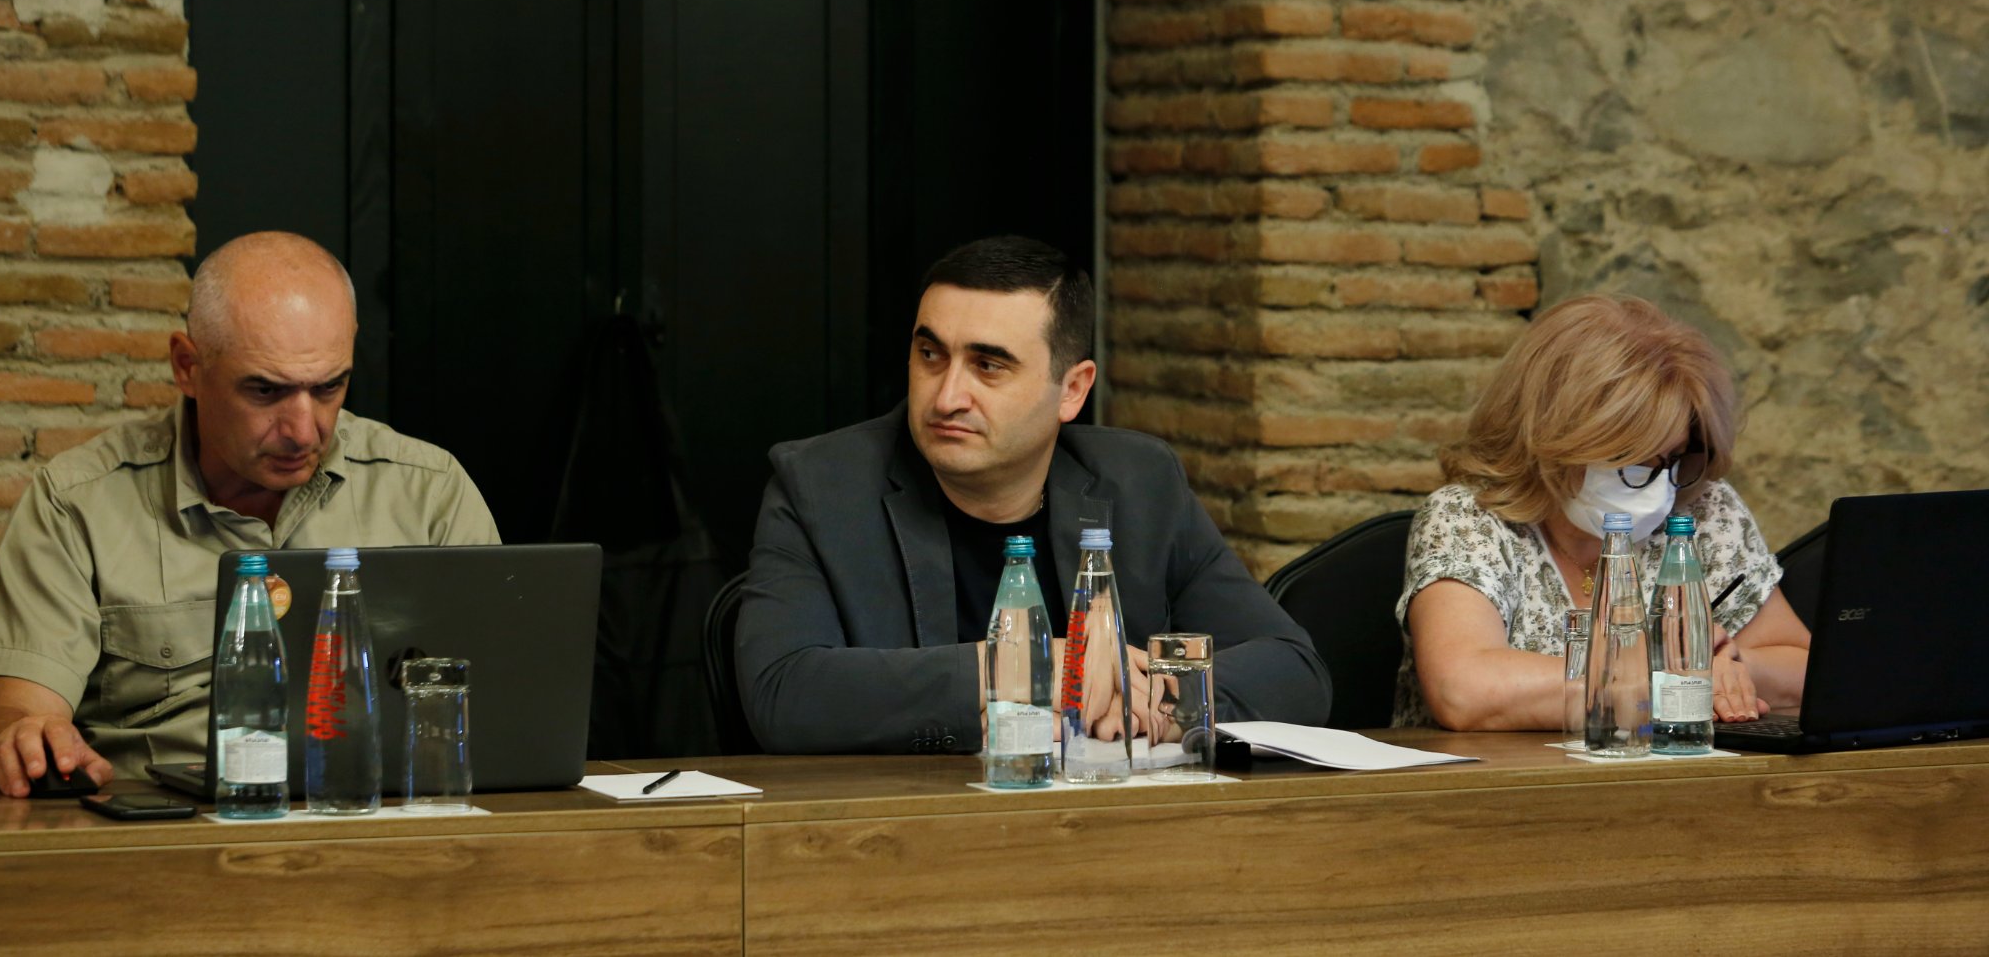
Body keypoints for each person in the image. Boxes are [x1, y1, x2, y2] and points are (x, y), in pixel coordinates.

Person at [0, 232, 500, 795]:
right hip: (167, 828)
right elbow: (14, 712)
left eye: (329, 387)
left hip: (373, 817)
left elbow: (509, 701)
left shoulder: (429, 492)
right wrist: (24, 738)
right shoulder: (78, 503)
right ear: (187, 365)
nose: (303, 430)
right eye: (265, 391)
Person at [738, 235, 1331, 754]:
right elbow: (784, 694)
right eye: (931, 355)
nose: (946, 397)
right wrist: (1028, 666)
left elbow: (1294, 668)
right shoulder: (821, 486)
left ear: (1072, 390)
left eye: (988, 366)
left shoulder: (1140, 482)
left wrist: (1152, 694)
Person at [1395, 294, 1810, 730]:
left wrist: (1724, 668)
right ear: (1552, 438)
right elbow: (1464, 691)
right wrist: (1657, 676)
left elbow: (1810, 669)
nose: (1661, 489)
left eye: (1674, 459)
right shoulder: (1466, 518)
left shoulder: (1702, 506)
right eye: (1633, 461)